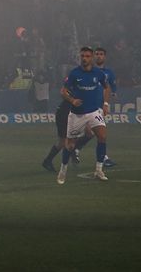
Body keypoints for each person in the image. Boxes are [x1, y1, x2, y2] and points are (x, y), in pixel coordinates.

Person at [56, 46, 111, 184]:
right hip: (77, 114)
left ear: (91, 57)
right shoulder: (75, 74)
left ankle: (99, 170)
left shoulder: (98, 73)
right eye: (82, 56)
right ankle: (63, 170)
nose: (84, 59)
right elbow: (63, 91)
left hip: (93, 111)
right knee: (70, 146)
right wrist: (72, 100)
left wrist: (105, 104)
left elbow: (107, 87)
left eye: (87, 56)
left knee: (102, 136)